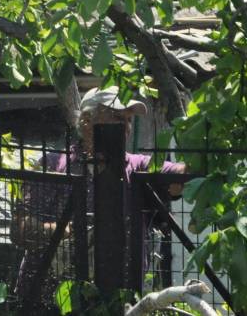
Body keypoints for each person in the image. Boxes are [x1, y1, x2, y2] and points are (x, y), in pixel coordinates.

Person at [10, 87, 185, 307]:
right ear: (86, 121)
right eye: (117, 117)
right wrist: (64, 231)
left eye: (129, 120)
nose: (126, 127)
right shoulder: (54, 166)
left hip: (120, 301)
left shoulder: (138, 166)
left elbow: (180, 177)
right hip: (50, 302)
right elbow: (19, 229)